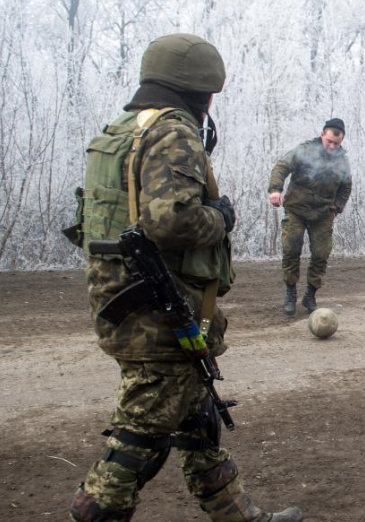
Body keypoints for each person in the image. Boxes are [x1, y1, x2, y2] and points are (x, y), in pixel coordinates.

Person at [67, 34, 302, 522]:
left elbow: (91, 225)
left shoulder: (121, 131)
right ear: (202, 91)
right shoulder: (173, 132)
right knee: (140, 440)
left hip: (127, 301)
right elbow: (171, 222)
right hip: (158, 314)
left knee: (199, 421)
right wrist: (222, 216)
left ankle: (240, 516)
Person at [268, 119, 352, 315]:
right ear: (323, 134)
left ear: (342, 141)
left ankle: (310, 295)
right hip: (296, 209)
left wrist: (336, 208)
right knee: (291, 249)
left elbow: (346, 186)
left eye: (336, 144)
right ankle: (290, 293)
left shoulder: (342, 160)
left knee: (321, 254)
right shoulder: (304, 150)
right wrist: (275, 190)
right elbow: (281, 168)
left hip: (323, 214)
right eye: (329, 141)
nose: (332, 146)